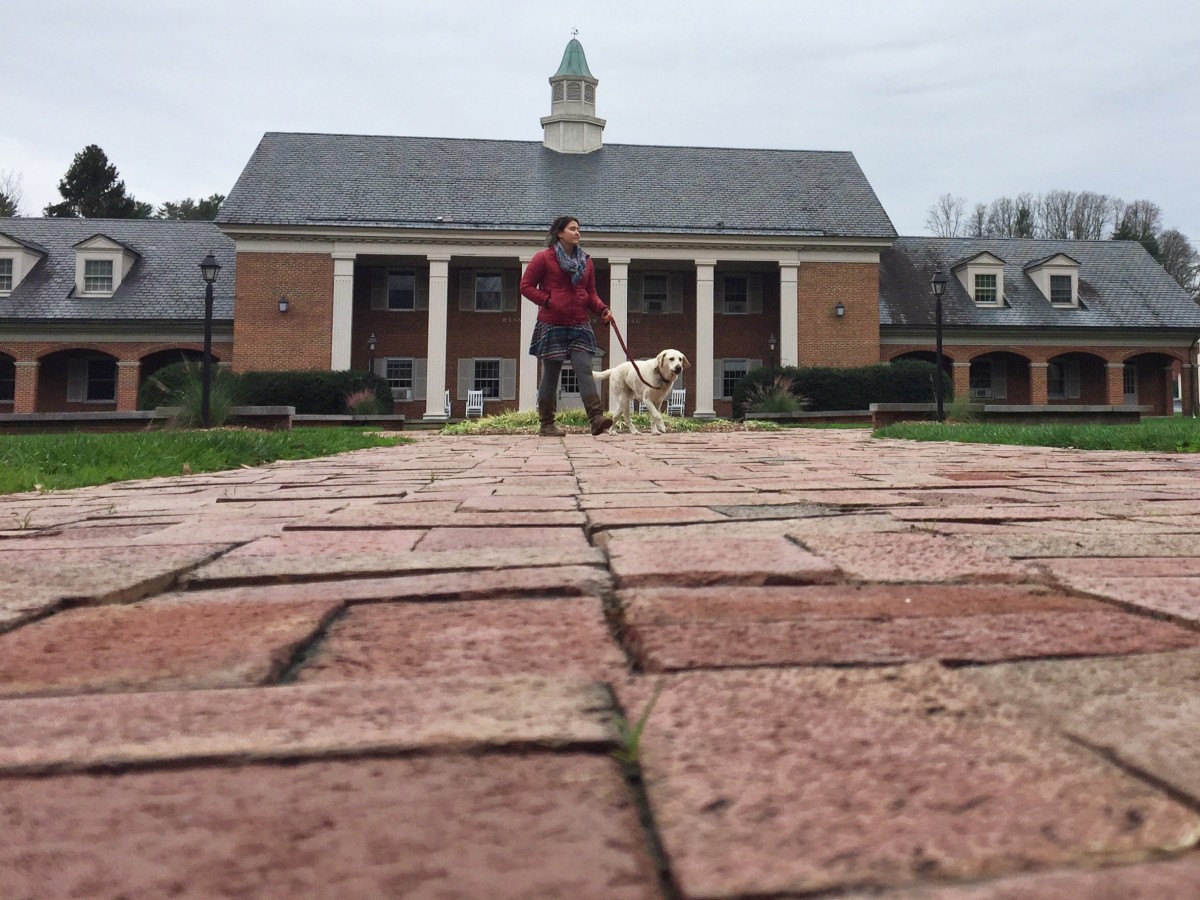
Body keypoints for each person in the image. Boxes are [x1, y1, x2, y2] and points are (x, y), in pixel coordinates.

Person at [520, 215, 615, 436]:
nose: (577, 233)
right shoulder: (543, 258)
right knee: (551, 374)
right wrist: (548, 301)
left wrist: (602, 309)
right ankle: (547, 424)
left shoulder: (586, 261)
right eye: (572, 229)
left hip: (580, 323)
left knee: (584, 368)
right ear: (560, 233)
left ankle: (596, 419)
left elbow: (589, 293)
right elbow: (525, 286)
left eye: (579, 229)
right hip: (552, 323)